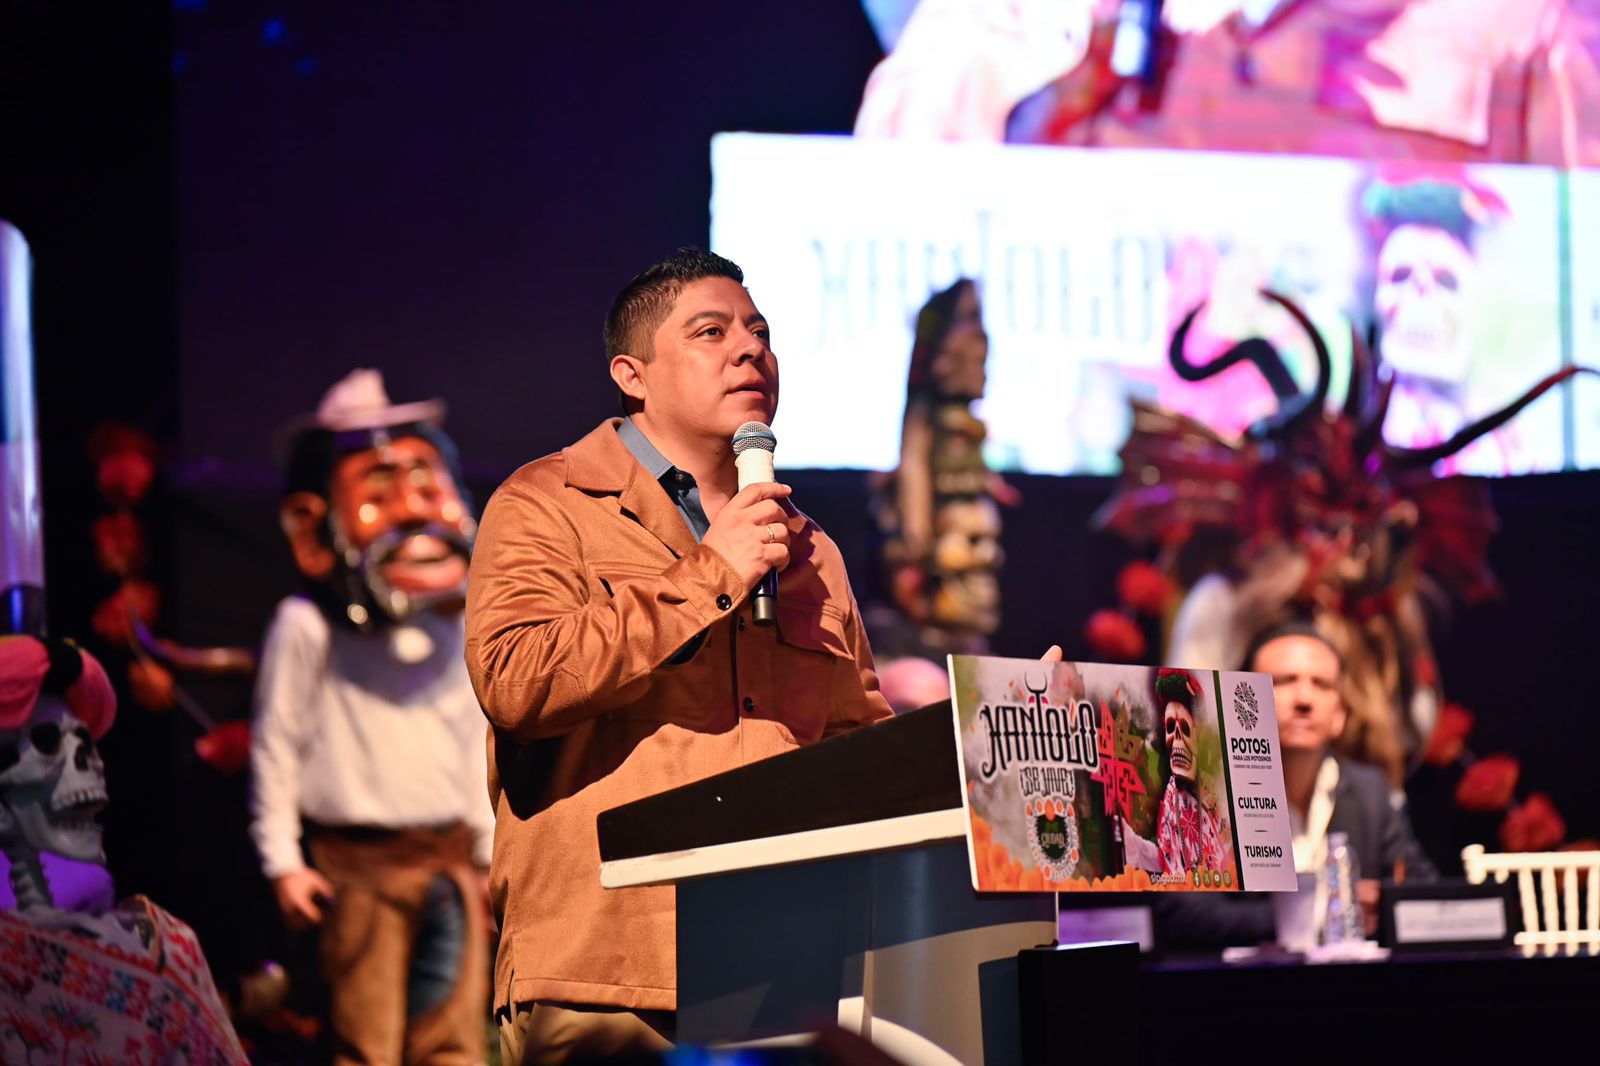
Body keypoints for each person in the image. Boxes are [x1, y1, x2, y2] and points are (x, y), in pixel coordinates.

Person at [465, 249, 894, 1065]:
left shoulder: (807, 548)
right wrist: (711, 574)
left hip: (781, 972)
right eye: (711, 332)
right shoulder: (547, 503)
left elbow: (855, 750)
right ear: (632, 375)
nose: (751, 349)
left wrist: (981, 737)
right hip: (605, 977)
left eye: (760, 332)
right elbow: (517, 683)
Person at [249, 370, 494, 1065]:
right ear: (312, 525)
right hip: (359, 872)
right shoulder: (306, 627)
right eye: (380, 495)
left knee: (453, 1041)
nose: (413, 513)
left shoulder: (455, 625)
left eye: (427, 486)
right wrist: (283, 863)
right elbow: (276, 747)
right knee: (367, 1041)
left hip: (449, 863)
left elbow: (471, 740)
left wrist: (487, 855)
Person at [1154, 622, 1436, 950]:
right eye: (1283, 681)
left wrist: (1384, 905)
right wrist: (1321, 911)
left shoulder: (1369, 791)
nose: (1304, 699)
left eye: (1322, 684)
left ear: (1340, 714)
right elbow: (1180, 915)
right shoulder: (1204, 792)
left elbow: (1423, 894)